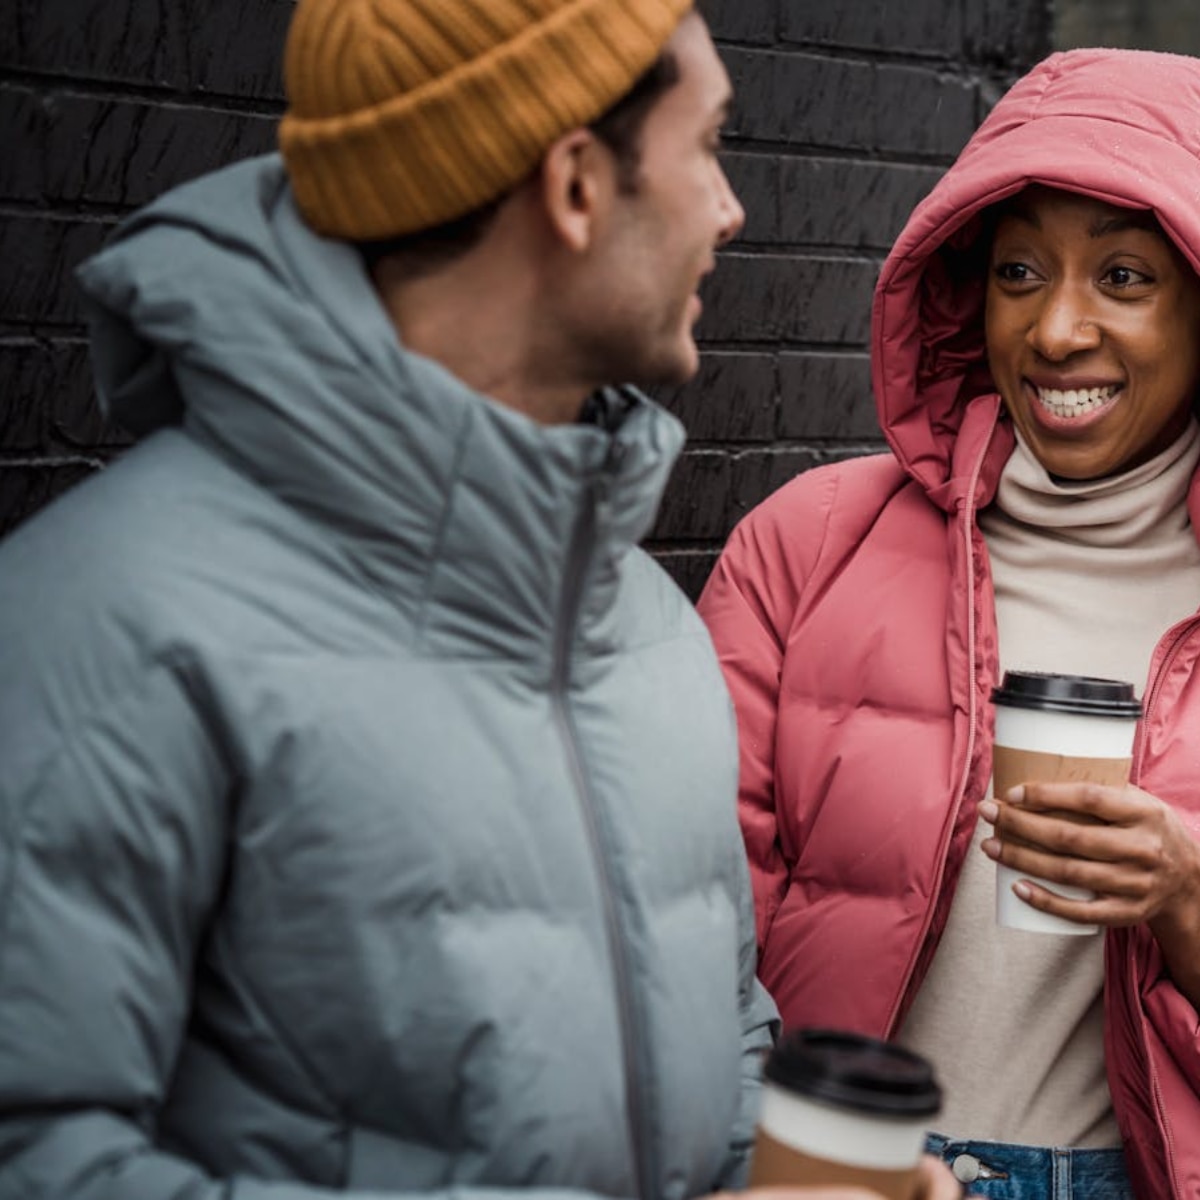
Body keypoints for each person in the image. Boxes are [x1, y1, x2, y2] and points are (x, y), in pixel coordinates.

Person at [0, 2, 961, 1199]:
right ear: (573, 187)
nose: (731, 210)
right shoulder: (105, 627)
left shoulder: (646, 628)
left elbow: (716, 1038)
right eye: (708, 146)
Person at [698, 46, 1200, 1200]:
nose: (1060, 331)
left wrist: (1183, 893)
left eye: (1124, 277)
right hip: (843, 1176)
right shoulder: (808, 544)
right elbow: (693, 924)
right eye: (1020, 271)